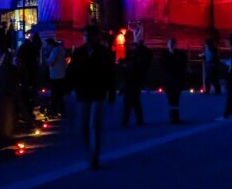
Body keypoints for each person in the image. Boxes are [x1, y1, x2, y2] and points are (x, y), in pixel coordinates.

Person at [66, 25, 116, 169]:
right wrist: (68, 87)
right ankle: (90, 150)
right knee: (83, 127)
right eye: (85, 36)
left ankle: (95, 155)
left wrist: (111, 92)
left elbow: (110, 73)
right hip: (83, 93)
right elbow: (72, 71)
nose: (87, 38)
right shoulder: (79, 53)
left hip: (98, 92)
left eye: (89, 35)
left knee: (94, 124)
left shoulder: (104, 53)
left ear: (95, 37)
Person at [120, 37, 153, 127]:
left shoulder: (133, 58)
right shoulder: (136, 58)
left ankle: (127, 120)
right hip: (133, 83)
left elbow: (127, 73)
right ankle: (137, 119)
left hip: (132, 83)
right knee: (135, 102)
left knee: (130, 103)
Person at [162, 38, 188, 124]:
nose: (171, 45)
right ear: (167, 45)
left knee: (176, 99)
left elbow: (183, 65)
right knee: (170, 99)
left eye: (173, 43)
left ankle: (175, 116)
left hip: (177, 80)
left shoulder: (180, 55)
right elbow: (163, 68)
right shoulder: (165, 55)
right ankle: (173, 116)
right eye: (170, 43)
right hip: (168, 81)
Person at [45, 37, 68, 118]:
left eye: (47, 45)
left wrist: (45, 58)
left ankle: (55, 111)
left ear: (51, 44)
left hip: (56, 76)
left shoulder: (55, 50)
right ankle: (61, 111)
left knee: (55, 94)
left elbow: (50, 62)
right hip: (60, 75)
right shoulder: (60, 49)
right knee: (59, 95)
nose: (47, 47)